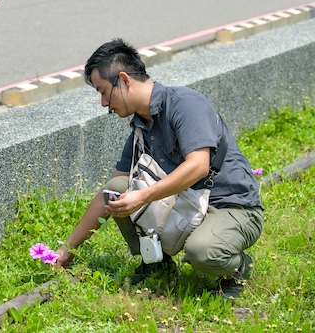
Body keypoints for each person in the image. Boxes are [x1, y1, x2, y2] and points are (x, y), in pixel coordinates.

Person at [55, 39, 263, 300]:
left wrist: (143, 195)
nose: (103, 103)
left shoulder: (185, 105)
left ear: (124, 79)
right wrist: (67, 248)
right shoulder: (142, 126)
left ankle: (240, 269)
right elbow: (111, 188)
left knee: (202, 252)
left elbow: (198, 166)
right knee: (118, 190)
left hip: (231, 207)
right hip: (187, 204)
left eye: (103, 91)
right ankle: (156, 264)